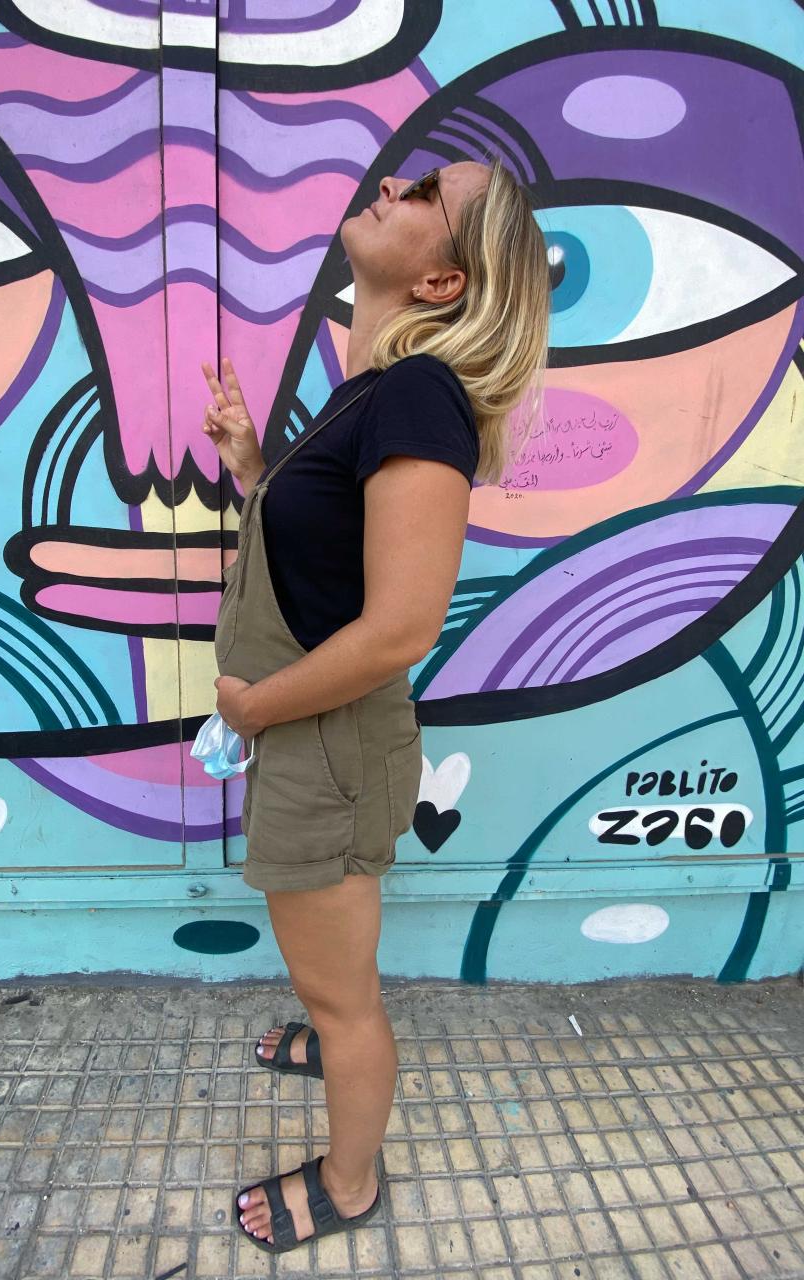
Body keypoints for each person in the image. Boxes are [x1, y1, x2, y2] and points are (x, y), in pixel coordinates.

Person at [199, 159, 549, 1255]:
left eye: (428, 194)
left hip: (323, 743)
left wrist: (254, 710)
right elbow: (332, 564)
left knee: (341, 994)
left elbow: (400, 627)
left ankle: (351, 1182)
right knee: (332, 973)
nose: (393, 180)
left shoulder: (415, 399)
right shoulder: (372, 395)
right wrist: (255, 463)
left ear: (444, 284)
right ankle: (328, 1026)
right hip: (316, 732)